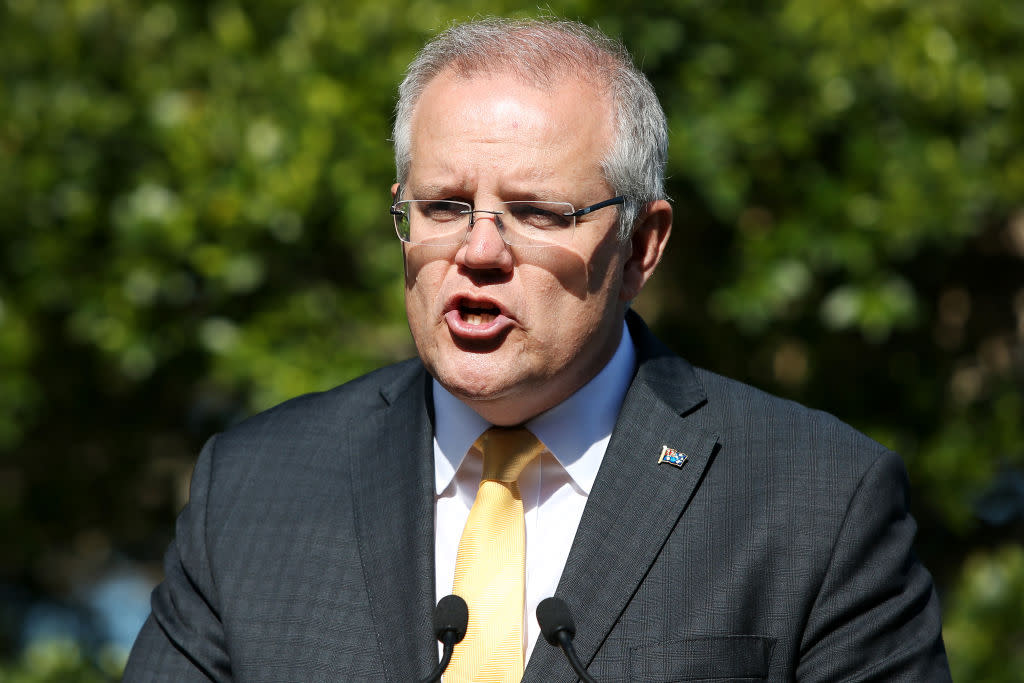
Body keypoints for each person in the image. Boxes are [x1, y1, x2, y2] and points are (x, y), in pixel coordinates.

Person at [124, 17, 951, 682]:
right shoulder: (256, 487)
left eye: (538, 212)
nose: (479, 251)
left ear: (639, 247)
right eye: (446, 205)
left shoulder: (817, 498)